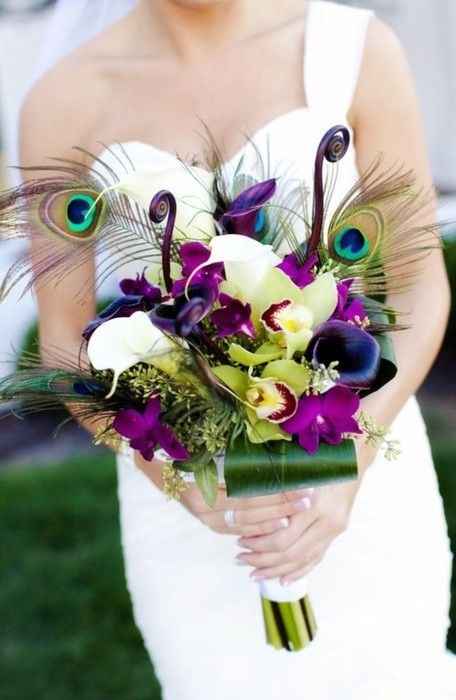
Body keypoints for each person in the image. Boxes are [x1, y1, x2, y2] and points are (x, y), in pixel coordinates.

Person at [18, 1, 454, 697]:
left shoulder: (355, 49)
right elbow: (68, 348)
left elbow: (420, 286)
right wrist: (182, 485)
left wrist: (355, 459)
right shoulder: (66, 99)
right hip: (192, 515)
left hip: (358, 485)